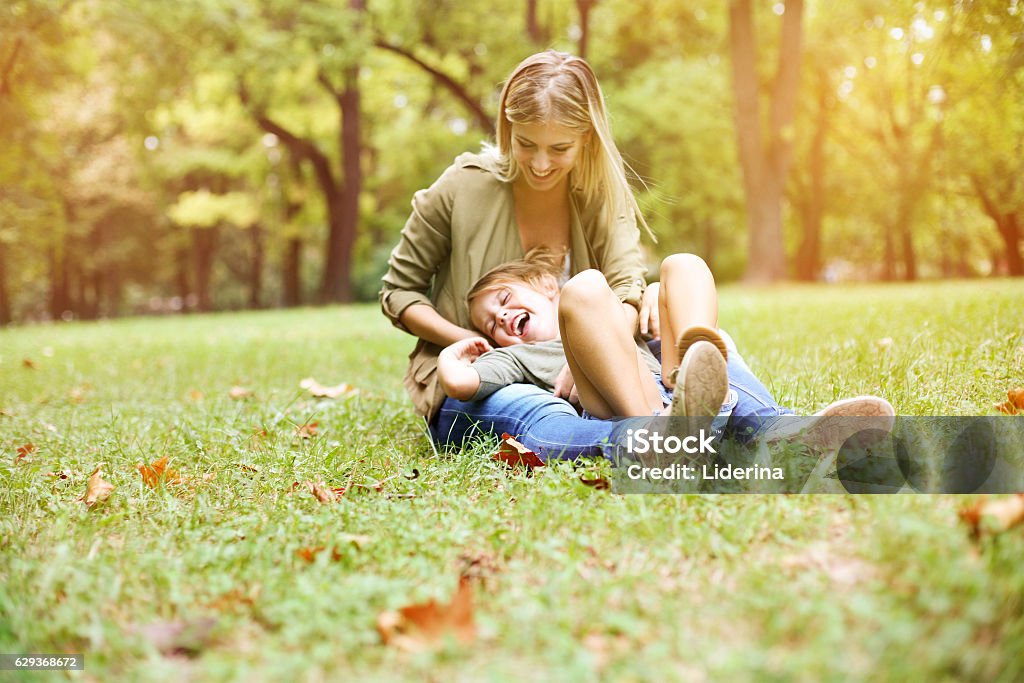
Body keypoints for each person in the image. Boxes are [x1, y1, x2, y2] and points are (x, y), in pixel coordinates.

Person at [380, 49, 890, 462]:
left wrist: (592, 351)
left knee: (705, 344)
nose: (539, 163)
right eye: (525, 143)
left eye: (559, 149)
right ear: (506, 127)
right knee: (533, 410)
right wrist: (470, 340)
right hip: (485, 382)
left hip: (602, 372)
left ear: (585, 139)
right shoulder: (461, 188)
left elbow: (625, 285)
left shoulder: (597, 192)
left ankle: (783, 433)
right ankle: (654, 443)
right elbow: (397, 292)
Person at [437, 248, 730, 427]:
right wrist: (449, 356)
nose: (500, 317)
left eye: (504, 298)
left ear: (545, 284)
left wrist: (655, 294)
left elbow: (658, 312)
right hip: (627, 403)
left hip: (672, 389)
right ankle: (650, 433)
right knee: (584, 287)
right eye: (491, 326)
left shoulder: (610, 312)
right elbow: (460, 384)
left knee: (683, 263)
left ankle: (697, 375)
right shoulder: (516, 355)